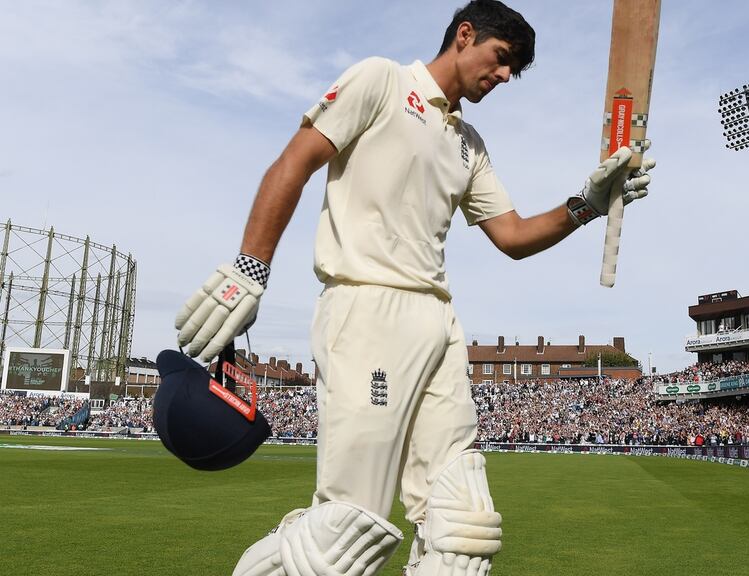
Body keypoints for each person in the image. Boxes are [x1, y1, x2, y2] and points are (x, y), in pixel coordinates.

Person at [172, 2, 656, 575]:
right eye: (502, 60)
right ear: (465, 34)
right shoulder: (381, 81)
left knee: (462, 529)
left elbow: (514, 235)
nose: (504, 77)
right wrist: (250, 269)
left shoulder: (468, 144)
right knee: (345, 531)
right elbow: (294, 162)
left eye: (514, 72)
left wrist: (588, 204)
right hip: (366, 307)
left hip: (439, 325)